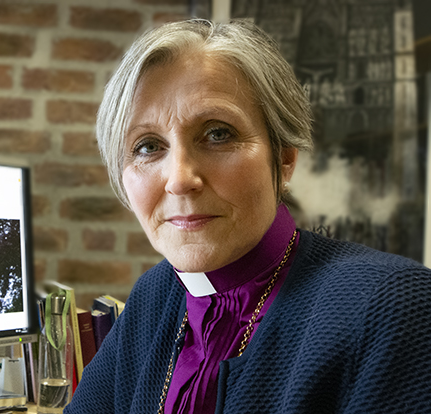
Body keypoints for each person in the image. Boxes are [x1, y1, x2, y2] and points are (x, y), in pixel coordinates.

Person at [65, 19, 431, 414]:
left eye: (217, 134)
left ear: (284, 157)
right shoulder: (154, 295)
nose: (180, 180)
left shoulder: (395, 306)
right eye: (148, 146)